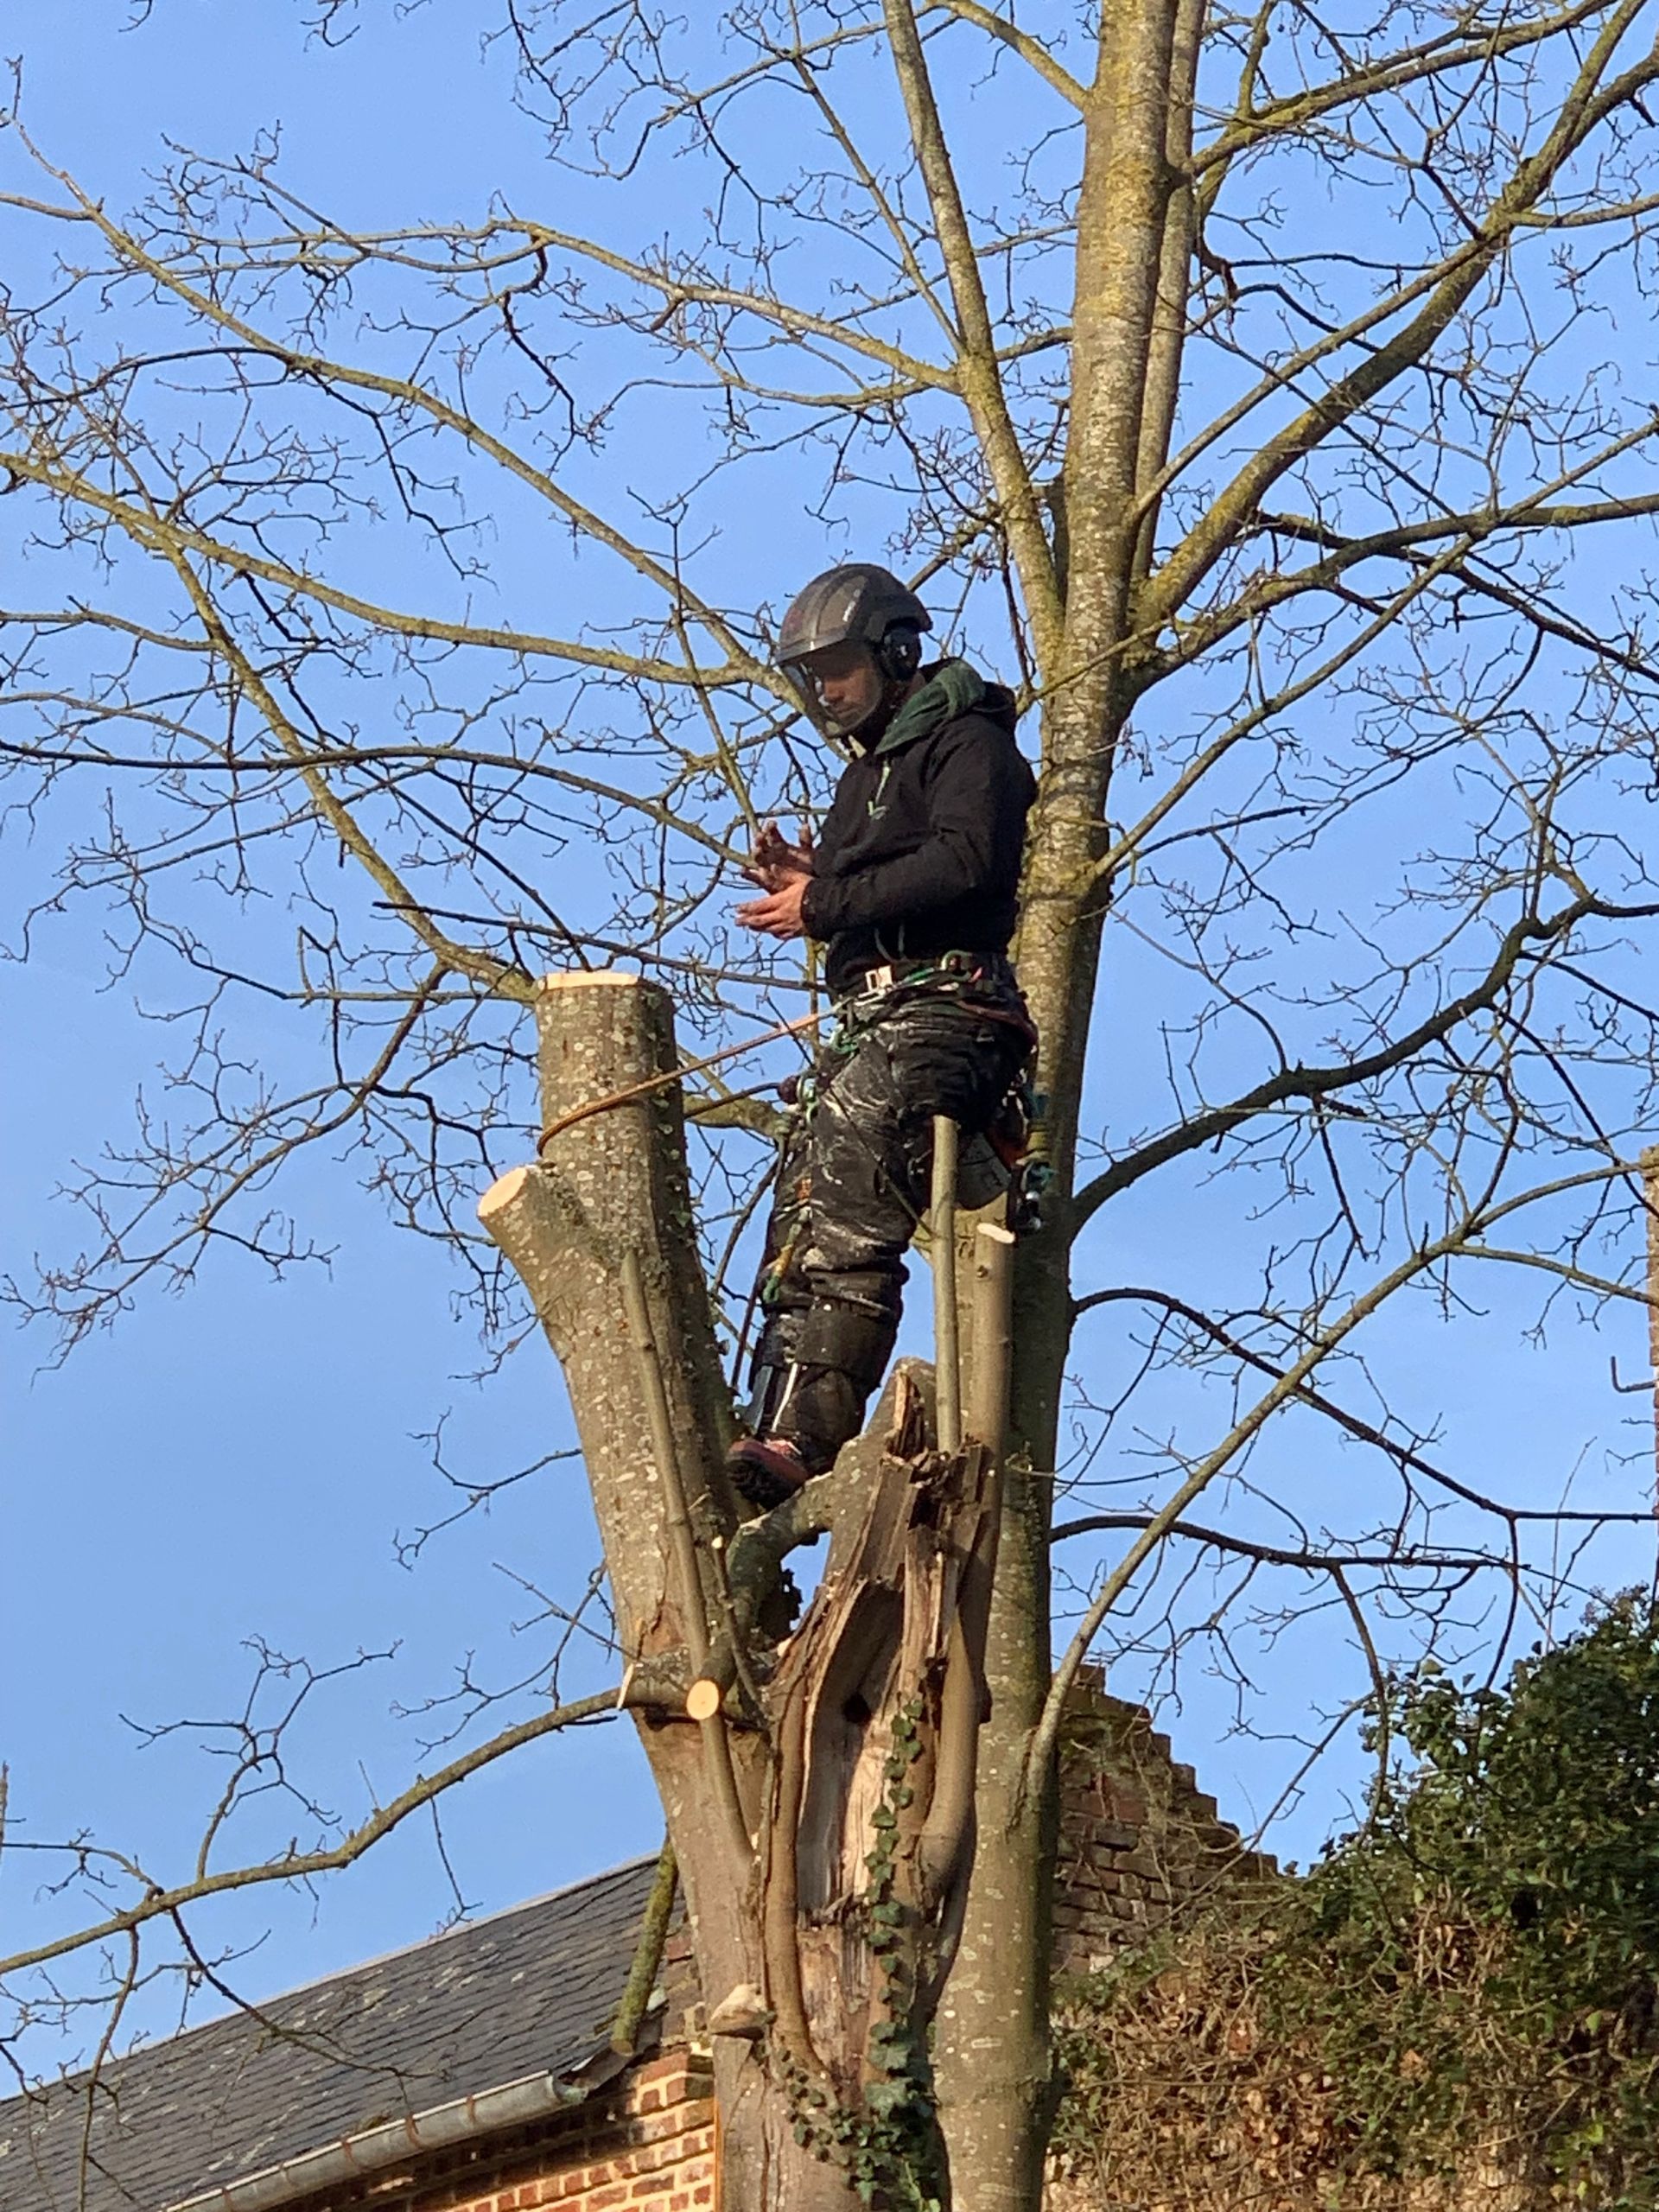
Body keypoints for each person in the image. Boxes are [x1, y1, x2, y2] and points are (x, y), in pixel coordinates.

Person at [728, 562, 1038, 1510]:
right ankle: (767, 1418)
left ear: (897, 654)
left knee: (857, 1153)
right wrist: (819, 867)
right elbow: (889, 879)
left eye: (841, 670)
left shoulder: (970, 746)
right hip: (878, 1025)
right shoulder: (869, 774)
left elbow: (965, 862)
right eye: (813, 675)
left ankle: (806, 1436)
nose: (827, 692)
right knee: (805, 1195)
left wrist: (824, 898)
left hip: (953, 1020)